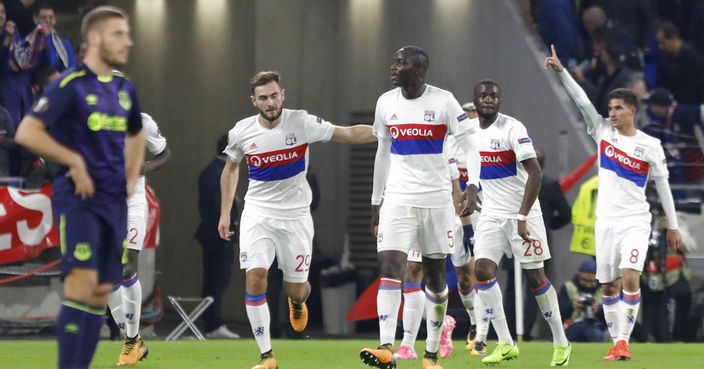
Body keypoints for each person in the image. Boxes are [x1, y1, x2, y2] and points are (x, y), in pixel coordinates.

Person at [14, 6, 144, 369]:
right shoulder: (70, 85)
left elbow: (136, 134)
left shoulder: (124, 88)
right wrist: (73, 161)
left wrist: (131, 178)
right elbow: (27, 131)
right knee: (81, 287)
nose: (127, 41)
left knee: (102, 291)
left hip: (114, 203)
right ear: (95, 38)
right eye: (119, 34)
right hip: (80, 200)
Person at [218, 70, 376, 369]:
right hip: (258, 214)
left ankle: (297, 300)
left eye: (274, 95)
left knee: (295, 289)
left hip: (295, 218)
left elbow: (349, 133)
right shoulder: (241, 131)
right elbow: (230, 169)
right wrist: (226, 212)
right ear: (254, 101)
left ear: (283, 95)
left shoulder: (302, 122)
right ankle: (267, 356)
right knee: (255, 277)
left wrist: (388, 130)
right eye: (263, 98)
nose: (270, 102)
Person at [545, 44, 682, 361]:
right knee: (607, 287)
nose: (612, 112)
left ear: (633, 111)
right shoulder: (603, 132)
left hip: (635, 221)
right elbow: (581, 102)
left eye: (619, 108)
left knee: (631, 276)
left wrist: (672, 226)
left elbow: (663, 187)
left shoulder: (650, 146)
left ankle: (622, 342)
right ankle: (616, 342)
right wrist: (562, 72)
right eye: (610, 107)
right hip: (605, 223)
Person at [361, 45, 481, 369]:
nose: (393, 66)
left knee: (436, 279)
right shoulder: (385, 103)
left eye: (400, 63)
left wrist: (472, 185)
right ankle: (386, 345)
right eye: (394, 60)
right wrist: (376, 201)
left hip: (437, 200)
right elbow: (382, 153)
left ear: (418, 70)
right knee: (390, 266)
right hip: (398, 198)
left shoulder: (443, 101)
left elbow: (471, 145)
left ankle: (430, 354)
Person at [469, 79, 571, 366]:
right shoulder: (468, 131)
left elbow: (535, 174)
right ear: (475, 100)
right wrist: (469, 188)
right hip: (491, 212)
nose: (488, 99)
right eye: (483, 95)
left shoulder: (513, 128)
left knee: (536, 278)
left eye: (494, 95)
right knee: (483, 271)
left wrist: (523, 216)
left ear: (500, 100)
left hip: (523, 212)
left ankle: (561, 342)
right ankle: (505, 342)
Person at [393, 102, 482, 362]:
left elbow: (466, 187)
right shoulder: (438, 140)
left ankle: (473, 325)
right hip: (429, 210)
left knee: (465, 277)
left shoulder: (476, 146)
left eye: (472, 115)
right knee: (412, 271)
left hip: (464, 215)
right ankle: (408, 343)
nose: (468, 119)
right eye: (466, 115)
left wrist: (468, 226)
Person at [108, 112, 171, 365]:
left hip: (133, 199)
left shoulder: (142, 120)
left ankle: (132, 340)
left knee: (126, 264)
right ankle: (132, 340)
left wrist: (146, 166)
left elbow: (165, 153)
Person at [195, 133, 240, 339]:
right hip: (218, 236)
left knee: (216, 280)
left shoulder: (213, 171)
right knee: (217, 280)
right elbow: (216, 208)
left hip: (214, 235)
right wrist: (226, 233)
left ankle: (212, 322)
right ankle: (213, 324)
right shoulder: (217, 173)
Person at [655, 22, 704, 105]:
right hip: (670, 105)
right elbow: (661, 83)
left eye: (662, 42)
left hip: (691, 107)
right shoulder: (664, 59)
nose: (660, 47)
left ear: (673, 38)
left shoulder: (694, 59)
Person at [558, 260, 605, 342]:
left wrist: (597, 310)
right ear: (579, 275)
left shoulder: (604, 290)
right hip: (572, 324)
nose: (588, 284)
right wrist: (571, 306)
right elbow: (557, 312)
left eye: (591, 281)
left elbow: (614, 316)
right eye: (585, 280)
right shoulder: (568, 287)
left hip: (598, 325)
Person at [34, 2, 75, 72]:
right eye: (43, 17)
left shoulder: (64, 43)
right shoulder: (29, 39)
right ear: (36, 20)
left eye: (51, 17)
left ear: (55, 20)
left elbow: (71, 68)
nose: (47, 20)